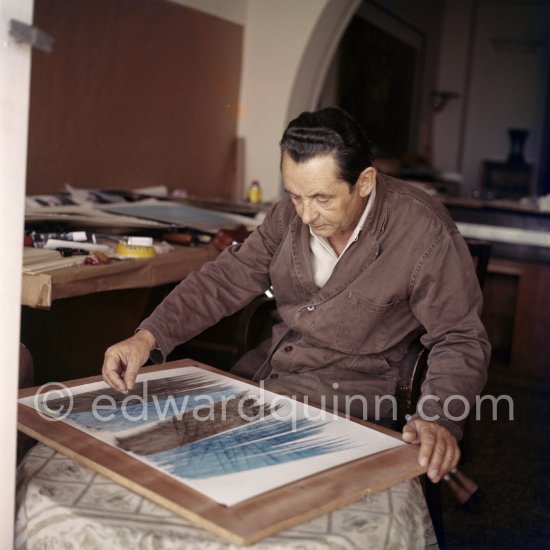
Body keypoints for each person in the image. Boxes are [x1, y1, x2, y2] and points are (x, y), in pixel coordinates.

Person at [102, 107, 490, 483]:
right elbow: (224, 280)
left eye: (322, 198)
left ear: (365, 182)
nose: (305, 216)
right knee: (150, 443)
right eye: (296, 196)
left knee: (208, 464)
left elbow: (460, 337)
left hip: (350, 396)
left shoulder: (423, 230)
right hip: (268, 372)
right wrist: (147, 336)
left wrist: (440, 419)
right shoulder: (287, 216)